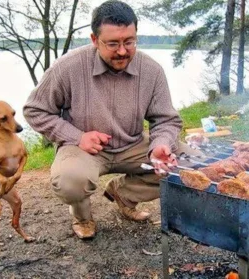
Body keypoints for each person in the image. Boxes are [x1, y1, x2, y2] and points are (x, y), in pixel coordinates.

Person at [23, 0, 201, 239]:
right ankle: (82, 217)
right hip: (86, 148)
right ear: (95, 40)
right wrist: (77, 137)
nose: (122, 51)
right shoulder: (68, 67)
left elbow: (166, 120)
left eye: (129, 41)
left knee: (190, 164)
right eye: (113, 43)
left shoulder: (152, 70)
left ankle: (124, 194)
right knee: (70, 181)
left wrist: (161, 145)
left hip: (133, 145)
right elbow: (34, 110)